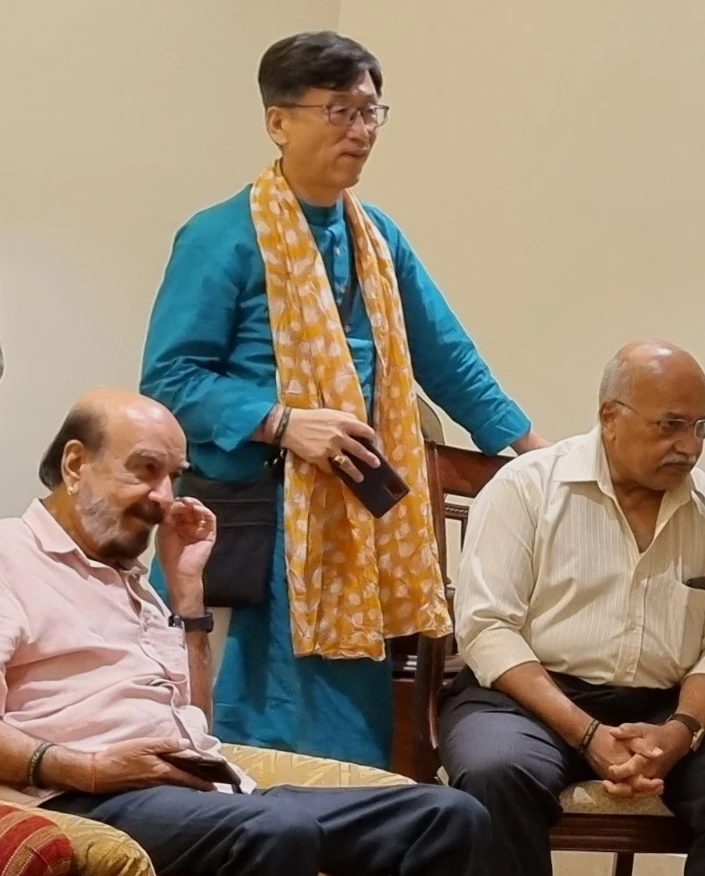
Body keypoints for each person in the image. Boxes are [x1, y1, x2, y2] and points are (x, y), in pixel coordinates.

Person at [139, 29, 547, 768]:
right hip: (253, 527)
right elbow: (170, 380)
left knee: (347, 757)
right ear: (278, 121)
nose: (359, 131)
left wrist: (531, 453)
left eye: (369, 112)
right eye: (338, 111)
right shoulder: (220, 235)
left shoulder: (377, 237)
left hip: (351, 536)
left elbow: (445, 356)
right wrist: (282, 422)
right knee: (238, 742)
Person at [0, 388, 490, 876]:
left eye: (173, 476)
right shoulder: (10, 557)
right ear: (75, 464)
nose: (164, 498)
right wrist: (87, 769)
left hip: (208, 792)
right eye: (146, 469)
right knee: (276, 828)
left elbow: (196, 721)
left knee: (445, 815)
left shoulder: (130, 580)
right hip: (84, 796)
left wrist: (188, 596)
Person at [439, 340, 705, 876]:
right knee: (497, 771)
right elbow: (487, 627)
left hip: (663, 712)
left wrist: (679, 732)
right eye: (671, 425)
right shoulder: (528, 487)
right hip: (525, 703)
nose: (690, 446)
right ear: (610, 417)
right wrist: (586, 733)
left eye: (701, 427)